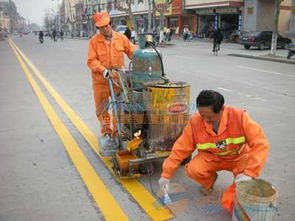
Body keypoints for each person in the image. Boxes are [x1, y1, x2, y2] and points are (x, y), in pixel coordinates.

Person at [159, 90, 269, 196]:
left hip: (238, 157)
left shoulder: (240, 117)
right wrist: (166, 174)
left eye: (210, 116)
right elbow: (180, 148)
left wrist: (249, 173)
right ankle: (210, 181)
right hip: (211, 158)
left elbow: (260, 144)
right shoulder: (195, 123)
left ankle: (240, 184)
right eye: (202, 115)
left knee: (242, 187)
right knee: (193, 169)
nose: (206, 120)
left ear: (222, 109)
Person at [87, 12, 137, 146]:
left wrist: (141, 56)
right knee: (102, 109)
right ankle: (107, 131)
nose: (104, 29)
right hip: (101, 81)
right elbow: (91, 61)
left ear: (110, 24)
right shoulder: (94, 41)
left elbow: (132, 51)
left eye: (106, 26)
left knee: (119, 108)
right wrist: (103, 70)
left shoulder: (121, 38)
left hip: (117, 79)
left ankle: (117, 133)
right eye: (100, 27)